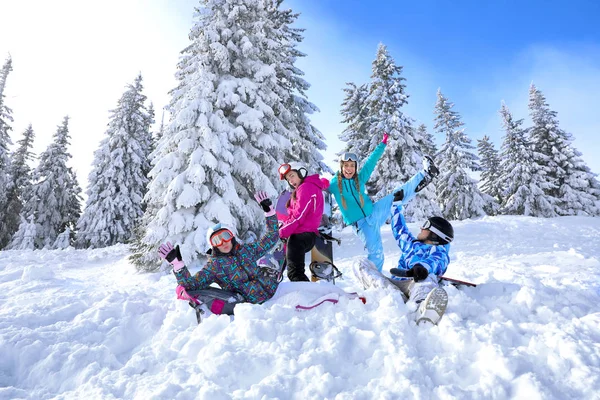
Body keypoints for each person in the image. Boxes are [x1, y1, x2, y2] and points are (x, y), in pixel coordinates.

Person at [158, 191, 280, 316]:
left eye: (225, 236)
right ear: (213, 246)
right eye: (217, 240)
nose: (223, 242)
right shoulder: (215, 266)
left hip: (276, 292)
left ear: (232, 237)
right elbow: (190, 285)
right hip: (251, 309)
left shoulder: (246, 251)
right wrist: (178, 265)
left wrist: (269, 213)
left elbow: (271, 238)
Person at [329, 132, 438, 272]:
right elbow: (318, 188)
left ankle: (425, 175)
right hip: (362, 226)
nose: (349, 169)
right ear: (341, 167)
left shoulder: (359, 179)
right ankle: (372, 281)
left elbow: (371, 162)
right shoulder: (334, 185)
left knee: (397, 196)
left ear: (355, 167)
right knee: (377, 254)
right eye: (346, 165)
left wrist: (382, 144)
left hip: (374, 212)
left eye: (352, 165)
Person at [353, 183, 454, 325]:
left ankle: (422, 310)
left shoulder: (440, 252)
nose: (421, 227)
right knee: (359, 263)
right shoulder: (411, 244)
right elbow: (399, 229)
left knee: (426, 279)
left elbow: (436, 262)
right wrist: (396, 205)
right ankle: (391, 296)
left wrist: (422, 268)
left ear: (435, 234)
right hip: (395, 285)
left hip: (414, 283)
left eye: (425, 225)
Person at [277, 161, 329, 282]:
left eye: (292, 176)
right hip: (301, 235)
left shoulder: (306, 188)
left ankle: (307, 295)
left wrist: (281, 232)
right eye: (288, 179)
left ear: (301, 172)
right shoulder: (306, 187)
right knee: (294, 272)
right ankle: (305, 294)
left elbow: (299, 216)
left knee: (295, 273)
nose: (291, 181)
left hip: (301, 237)